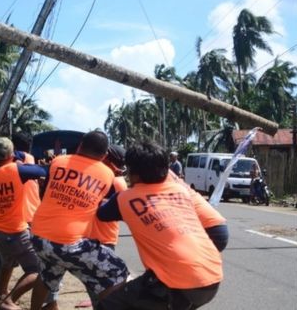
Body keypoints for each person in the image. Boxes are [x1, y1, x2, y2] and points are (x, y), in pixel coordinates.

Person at [97, 142, 228, 310]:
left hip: (179, 285)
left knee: (109, 305)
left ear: (132, 172)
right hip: (212, 279)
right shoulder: (180, 190)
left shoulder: (124, 199)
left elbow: (101, 214)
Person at [29, 131, 129, 310]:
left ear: (81, 145)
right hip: (69, 243)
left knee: (48, 275)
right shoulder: (107, 174)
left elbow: (48, 191)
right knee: (118, 271)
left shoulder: (59, 162)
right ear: (104, 155)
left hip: (38, 236)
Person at [0, 135, 48, 310]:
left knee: (7, 262)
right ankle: (8, 301)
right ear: (11, 156)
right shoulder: (17, 170)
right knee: (38, 271)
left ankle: (1, 292)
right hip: (16, 231)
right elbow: (42, 171)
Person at [71, 144, 128, 309]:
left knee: (102, 285)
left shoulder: (116, 182)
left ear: (109, 159)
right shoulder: (98, 176)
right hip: (89, 237)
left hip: (103, 239)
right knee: (94, 283)